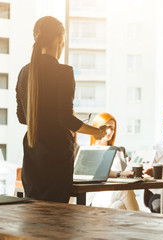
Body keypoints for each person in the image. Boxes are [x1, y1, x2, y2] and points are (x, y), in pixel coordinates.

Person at [16, 16, 106, 203]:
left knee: (35, 219)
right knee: (57, 220)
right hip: (56, 156)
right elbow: (65, 119)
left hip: (32, 156)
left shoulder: (24, 72)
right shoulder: (63, 72)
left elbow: (23, 118)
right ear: (59, 39)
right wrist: (96, 132)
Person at [89, 113, 140, 211]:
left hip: (116, 194)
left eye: (112, 128)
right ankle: (141, 223)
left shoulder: (120, 151)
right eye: (106, 127)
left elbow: (130, 168)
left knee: (119, 206)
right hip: (98, 193)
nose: (109, 131)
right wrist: (120, 174)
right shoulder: (90, 151)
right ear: (96, 127)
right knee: (125, 190)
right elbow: (98, 172)